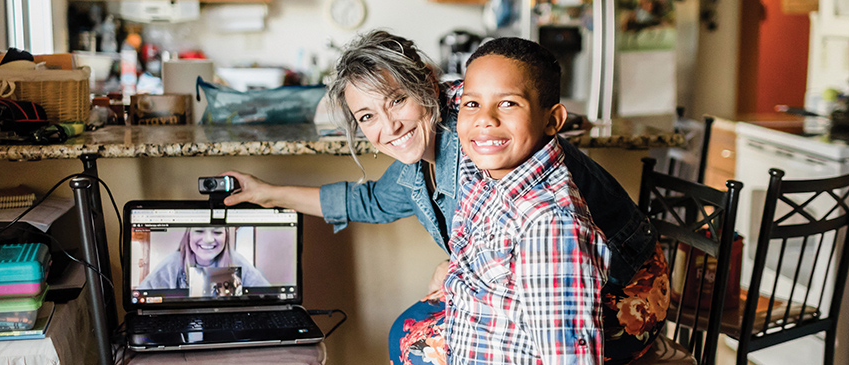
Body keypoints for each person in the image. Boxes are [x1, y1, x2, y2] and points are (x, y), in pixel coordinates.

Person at [222, 30, 667, 364]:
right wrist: (266, 193)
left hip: (621, 287)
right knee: (410, 330)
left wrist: (457, 264)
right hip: (545, 284)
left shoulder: (478, 137)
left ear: (428, 86)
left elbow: (538, 238)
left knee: (414, 341)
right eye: (367, 116)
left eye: (396, 101)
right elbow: (371, 202)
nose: (388, 127)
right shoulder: (425, 152)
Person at [444, 36, 610, 364]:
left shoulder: (549, 225)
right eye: (472, 104)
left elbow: (567, 358)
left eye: (508, 103)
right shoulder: (487, 171)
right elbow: (452, 97)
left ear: (552, 120)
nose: (485, 120)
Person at [138, 226, 270, 290]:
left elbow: (266, 292)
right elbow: (141, 297)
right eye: (199, 231)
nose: (208, 239)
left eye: (217, 232)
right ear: (188, 235)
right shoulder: (173, 263)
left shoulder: (235, 260)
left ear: (226, 236)